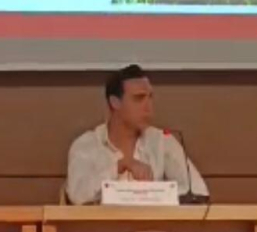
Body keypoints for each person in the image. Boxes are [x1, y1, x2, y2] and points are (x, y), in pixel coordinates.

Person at [65, 64, 208, 205]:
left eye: (150, 97)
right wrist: (118, 166)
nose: (148, 107)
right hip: (100, 221)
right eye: (139, 98)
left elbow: (199, 191)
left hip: (152, 221)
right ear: (115, 102)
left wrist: (156, 194)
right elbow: (77, 196)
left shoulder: (163, 141)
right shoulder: (86, 145)